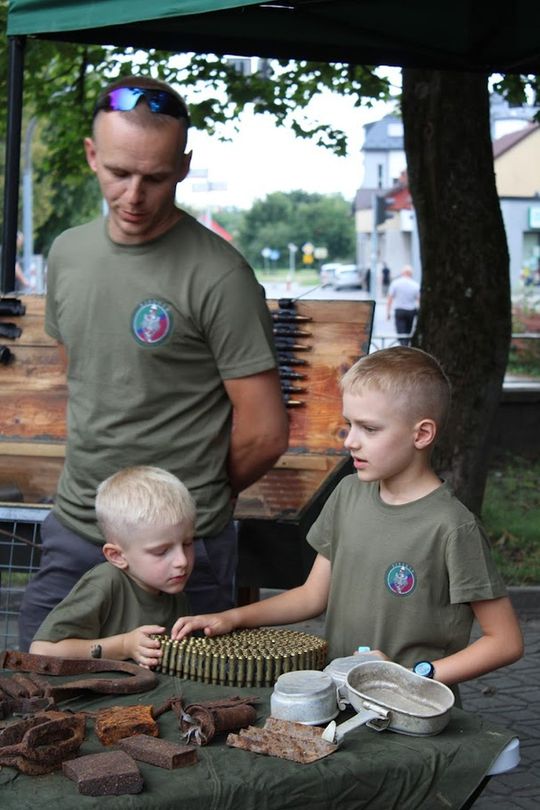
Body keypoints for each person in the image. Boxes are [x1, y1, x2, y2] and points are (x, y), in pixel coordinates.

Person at [18, 76, 289, 651]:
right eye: (119, 173)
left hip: (181, 551)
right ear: (92, 155)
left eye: (156, 177)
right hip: (79, 527)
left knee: (186, 715)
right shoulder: (68, 253)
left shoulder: (221, 276)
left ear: (184, 166)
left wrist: (193, 500)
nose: (134, 196)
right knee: (33, 689)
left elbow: (265, 433)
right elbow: (83, 373)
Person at [172, 347, 523, 697]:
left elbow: (505, 641)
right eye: (349, 425)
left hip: (414, 712)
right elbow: (312, 596)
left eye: (369, 428)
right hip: (339, 697)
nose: (351, 441)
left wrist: (411, 675)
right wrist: (232, 618)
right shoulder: (347, 493)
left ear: (421, 435)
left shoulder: (453, 528)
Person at [29, 466, 195, 668]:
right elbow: (42, 650)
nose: (182, 561)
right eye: (161, 551)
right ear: (117, 556)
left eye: (187, 543)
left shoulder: (173, 589)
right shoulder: (105, 583)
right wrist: (124, 645)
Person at [386, 265, 420, 345]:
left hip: (399, 310)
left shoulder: (395, 283)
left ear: (402, 273)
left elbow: (390, 298)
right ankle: (406, 345)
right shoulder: (415, 284)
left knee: (401, 332)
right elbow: (418, 299)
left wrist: (388, 312)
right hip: (411, 311)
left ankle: (403, 346)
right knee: (408, 332)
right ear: (411, 273)